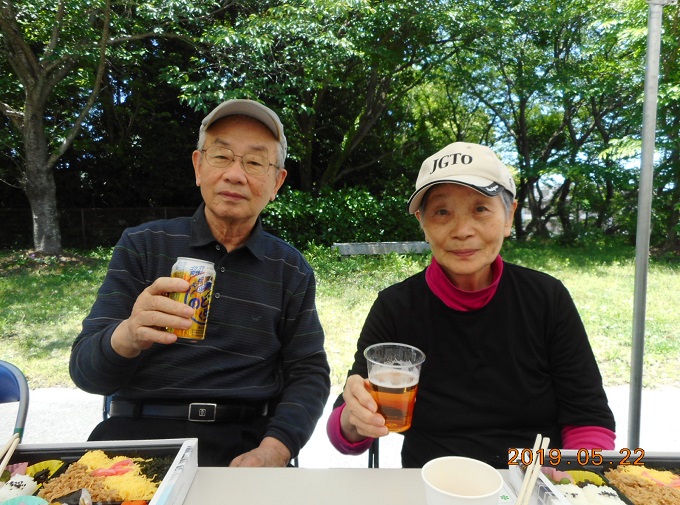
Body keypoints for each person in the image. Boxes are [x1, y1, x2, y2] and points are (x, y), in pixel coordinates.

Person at [70, 99, 331, 467]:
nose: (235, 175)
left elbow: (309, 372)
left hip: (243, 443)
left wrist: (275, 449)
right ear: (198, 166)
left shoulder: (290, 268)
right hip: (136, 436)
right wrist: (128, 335)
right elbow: (85, 372)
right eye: (221, 156)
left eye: (255, 162)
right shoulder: (143, 245)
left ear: (276, 182)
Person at [327, 141, 615, 469]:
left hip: (532, 481)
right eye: (442, 212)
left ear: (509, 217)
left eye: (480, 209)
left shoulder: (547, 299)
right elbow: (344, 435)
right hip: (432, 485)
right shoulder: (396, 307)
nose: (462, 231)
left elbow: (589, 419)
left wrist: (574, 479)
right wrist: (354, 417)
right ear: (423, 221)